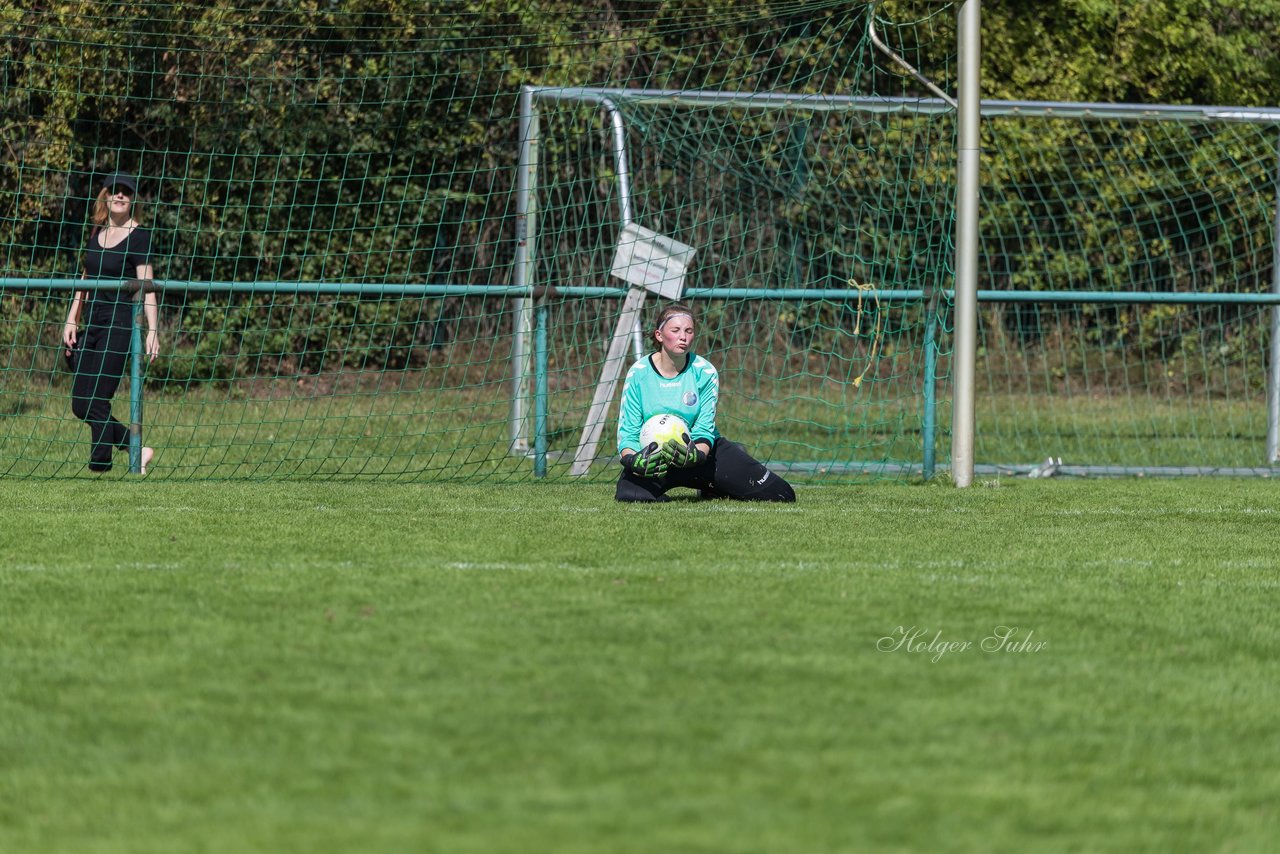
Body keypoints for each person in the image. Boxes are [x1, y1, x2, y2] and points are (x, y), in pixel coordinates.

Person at [615, 303, 795, 503]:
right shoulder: (638, 373)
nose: (683, 336)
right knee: (631, 496)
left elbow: (703, 428)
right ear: (659, 335)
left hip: (700, 454)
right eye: (676, 330)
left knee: (781, 494)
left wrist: (697, 455)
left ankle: (713, 482)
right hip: (656, 461)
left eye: (689, 331)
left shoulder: (705, 372)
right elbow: (628, 432)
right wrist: (633, 460)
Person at [62, 173, 159, 474]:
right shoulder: (96, 235)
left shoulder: (139, 236)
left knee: (96, 399)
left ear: (132, 200)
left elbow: (147, 286)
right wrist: (72, 318)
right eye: (114, 191)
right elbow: (85, 280)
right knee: (81, 404)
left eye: (126, 193)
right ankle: (136, 448)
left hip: (120, 325)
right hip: (93, 323)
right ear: (105, 196)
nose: (119, 196)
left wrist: (152, 331)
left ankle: (101, 461)